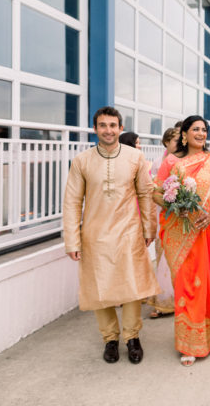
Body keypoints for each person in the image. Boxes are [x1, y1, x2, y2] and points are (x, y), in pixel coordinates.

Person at [62, 107, 159, 364]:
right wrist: (72, 239)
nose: (108, 130)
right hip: (95, 234)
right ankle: (110, 339)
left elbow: (145, 195)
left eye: (113, 125)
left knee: (132, 286)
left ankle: (132, 337)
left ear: (120, 128)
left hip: (128, 231)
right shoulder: (82, 161)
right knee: (99, 289)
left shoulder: (135, 157)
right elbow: (72, 202)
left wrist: (150, 228)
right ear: (95, 129)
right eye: (103, 125)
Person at [153, 116, 210, 366]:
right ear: (184, 134)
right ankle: (188, 343)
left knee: (203, 284)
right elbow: (156, 193)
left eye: (204, 130)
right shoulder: (171, 161)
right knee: (185, 285)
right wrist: (174, 206)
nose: (201, 134)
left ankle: (208, 339)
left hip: (204, 229)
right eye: (196, 129)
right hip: (178, 231)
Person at [147, 128, 181, 319]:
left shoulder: (185, 159)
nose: (178, 144)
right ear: (166, 142)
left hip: (182, 213)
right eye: (175, 140)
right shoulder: (161, 162)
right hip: (165, 212)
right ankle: (164, 301)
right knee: (164, 257)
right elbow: (156, 188)